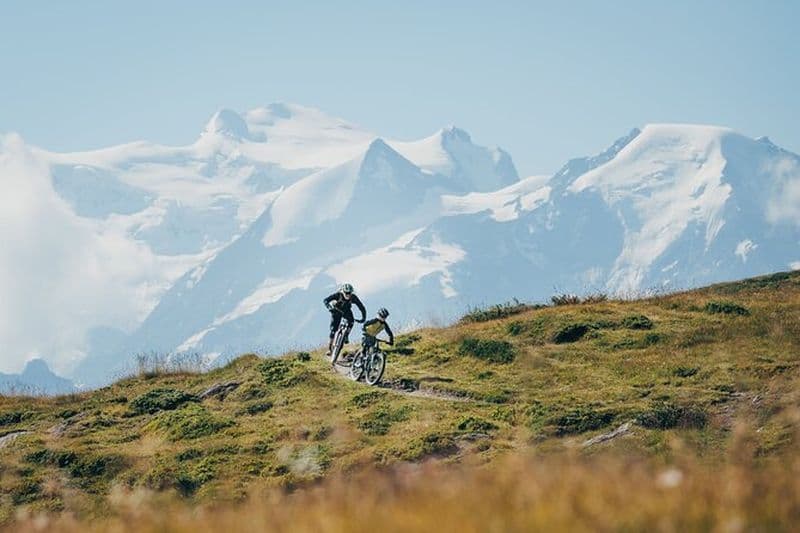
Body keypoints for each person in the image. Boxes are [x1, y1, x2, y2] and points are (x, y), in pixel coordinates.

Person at [323, 283, 366, 356]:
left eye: (349, 293)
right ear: (343, 291)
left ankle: (346, 336)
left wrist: (363, 318)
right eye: (346, 293)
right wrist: (329, 307)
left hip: (346, 311)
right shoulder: (338, 295)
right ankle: (330, 349)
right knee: (333, 330)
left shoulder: (353, 297)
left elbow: (361, 307)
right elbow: (326, 300)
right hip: (336, 310)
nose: (348, 295)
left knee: (351, 322)